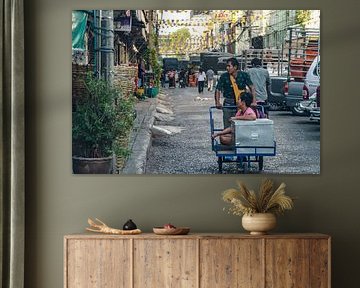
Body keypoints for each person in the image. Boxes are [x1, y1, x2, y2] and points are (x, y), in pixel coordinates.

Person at [215, 57, 256, 128]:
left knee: (241, 126)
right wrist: (217, 102)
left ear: (235, 67)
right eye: (227, 66)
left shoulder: (244, 75)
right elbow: (218, 89)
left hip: (242, 104)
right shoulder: (224, 76)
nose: (227, 68)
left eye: (229, 66)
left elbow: (252, 87)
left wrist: (254, 101)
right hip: (228, 104)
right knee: (228, 125)